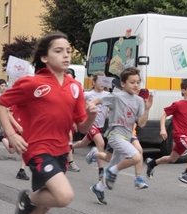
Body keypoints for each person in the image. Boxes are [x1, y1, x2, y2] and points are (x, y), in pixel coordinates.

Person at [0, 31, 97, 214]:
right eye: (58, 51)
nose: (66, 55)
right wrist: (10, 134)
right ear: (44, 57)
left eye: (68, 51)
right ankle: (28, 199)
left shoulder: (75, 87)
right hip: (38, 149)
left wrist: (91, 116)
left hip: (62, 150)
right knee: (63, 196)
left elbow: (81, 125)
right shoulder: (32, 83)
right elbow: (0, 104)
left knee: (46, 205)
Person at [87, 67, 152, 205]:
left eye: (138, 82)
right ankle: (112, 172)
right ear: (123, 84)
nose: (136, 85)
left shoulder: (140, 100)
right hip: (115, 135)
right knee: (136, 157)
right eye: (132, 82)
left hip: (127, 136)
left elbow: (141, 123)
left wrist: (147, 108)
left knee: (113, 162)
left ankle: (98, 188)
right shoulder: (116, 97)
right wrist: (91, 105)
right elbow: (98, 100)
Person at [145, 78, 187, 187]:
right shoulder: (178, 104)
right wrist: (163, 129)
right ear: (183, 91)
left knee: (172, 158)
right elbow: (164, 115)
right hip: (180, 135)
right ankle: (186, 174)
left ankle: (152, 163)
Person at [72, 71, 109, 179]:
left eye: (105, 81)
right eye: (100, 81)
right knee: (100, 143)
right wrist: (75, 122)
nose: (103, 83)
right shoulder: (87, 95)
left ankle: (69, 147)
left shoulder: (108, 95)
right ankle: (101, 171)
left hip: (100, 125)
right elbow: (78, 109)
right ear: (93, 82)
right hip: (90, 124)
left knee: (83, 144)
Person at [64, 68, 80, 172]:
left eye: (70, 79)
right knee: (68, 137)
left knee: (68, 139)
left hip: (70, 118)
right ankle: (70, 162)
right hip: (60, 119)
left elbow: (77, 107)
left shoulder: (76, 89)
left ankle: (67, 161)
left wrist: (75, 121)